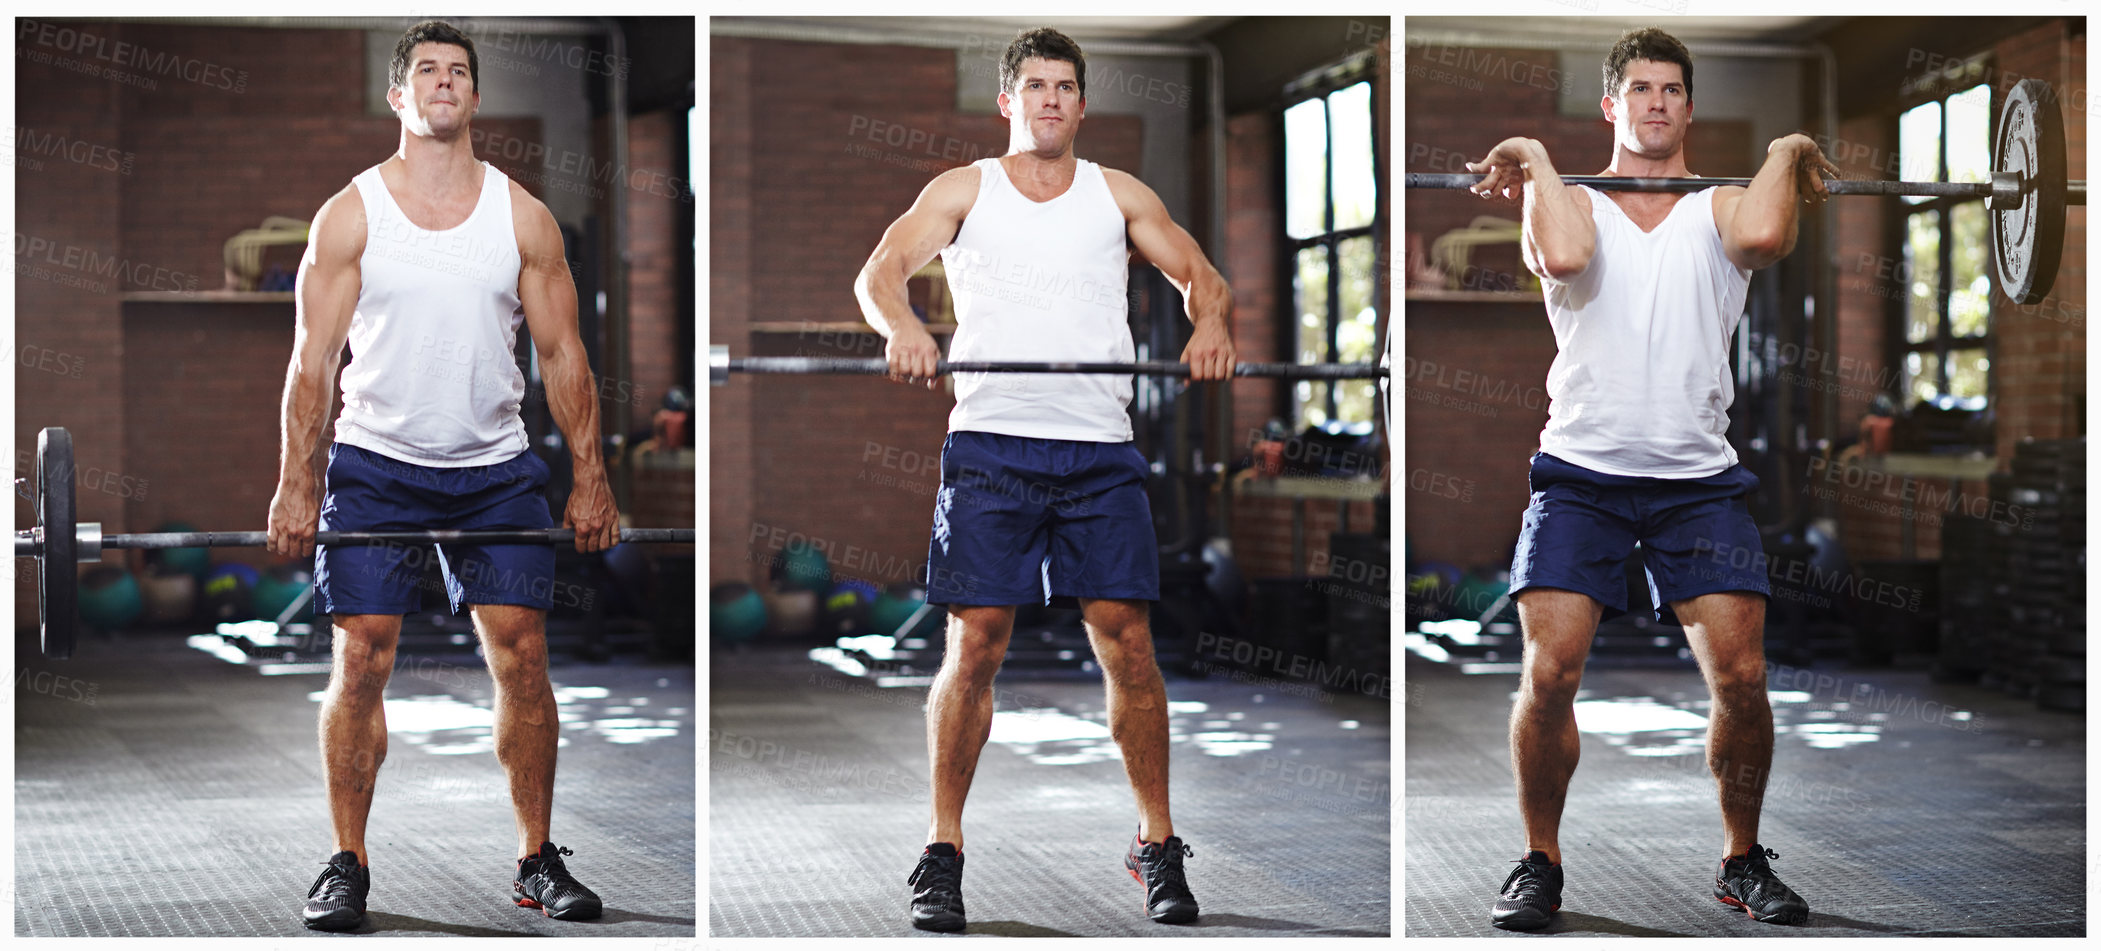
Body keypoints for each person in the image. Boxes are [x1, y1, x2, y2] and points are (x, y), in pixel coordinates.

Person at [853, 26, 1234, 933]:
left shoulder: (1118, 195)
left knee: (1126, 641)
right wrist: (901, 327)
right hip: (990, 446)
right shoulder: (962, 190)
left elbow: (1202, 277)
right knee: (976, 640)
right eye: (1035, 86)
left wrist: (1210, 324)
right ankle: (942, 850)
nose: (1051, 100)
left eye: (1065, 87)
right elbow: (879, 271)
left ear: (1081, 103)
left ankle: (1156, 842)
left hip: (1099, 451)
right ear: (1007, 102)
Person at [1462, 27, 1830, 931]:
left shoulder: (1723, 208)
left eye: (1672, 89)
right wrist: (1542, 161)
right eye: (1640, 88)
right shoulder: (1568, 204)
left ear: (1688, 107)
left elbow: (1772, 229)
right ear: (1611, 105)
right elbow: (1564, 259)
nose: (1657, 102)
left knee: (1741, 676)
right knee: (1550, 672)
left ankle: (1741, 860)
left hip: (1698, 482)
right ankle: (1538, 861)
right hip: (1579, 475)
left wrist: (1785, 148)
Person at [266, 20, 619, 931]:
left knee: (524, 654)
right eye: (426, 70)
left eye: (459, 70)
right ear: (398, 96)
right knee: (363, 653)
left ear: (475, 96)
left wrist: (591, 476)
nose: (444, 81)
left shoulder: (523, 217)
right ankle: (348, 862)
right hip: (377, 465)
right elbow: (313, 365)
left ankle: (536, 859)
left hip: (495, 468)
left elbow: (564, 357)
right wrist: (297, 482)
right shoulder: (350, 215)